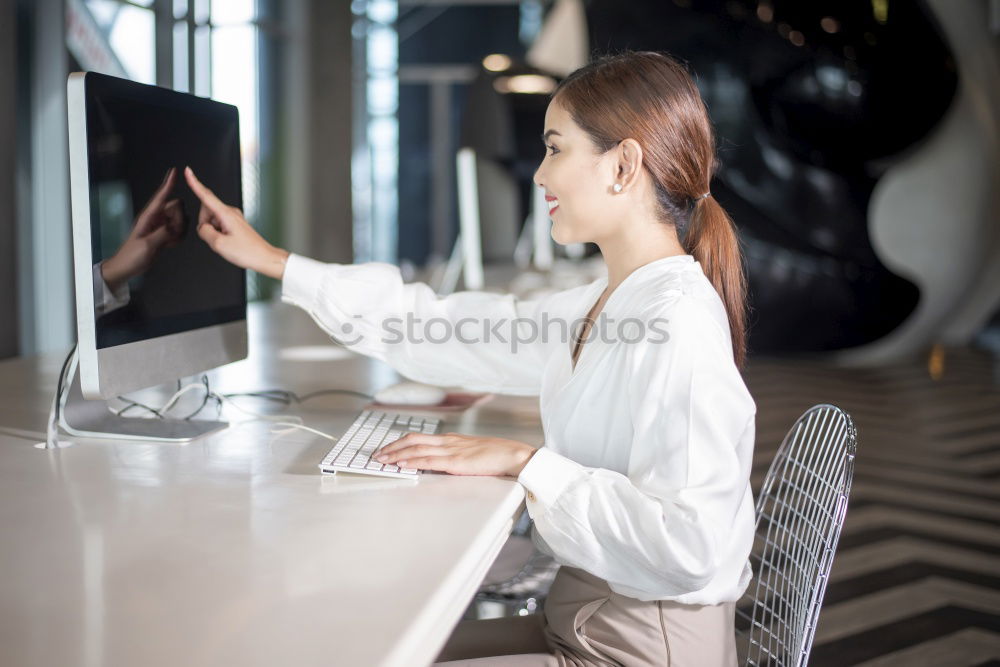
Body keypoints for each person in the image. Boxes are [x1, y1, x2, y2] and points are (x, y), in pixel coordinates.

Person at [184, 50, 756, 666]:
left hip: (637, 649)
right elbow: (442, 328)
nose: (539, 175)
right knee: (363, 645)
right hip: (589, 617)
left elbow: (690, 546)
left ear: (623, 164)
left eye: (555, 149)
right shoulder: (611, 301)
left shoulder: (674, 324)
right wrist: (275, 262)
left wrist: (526, 463)